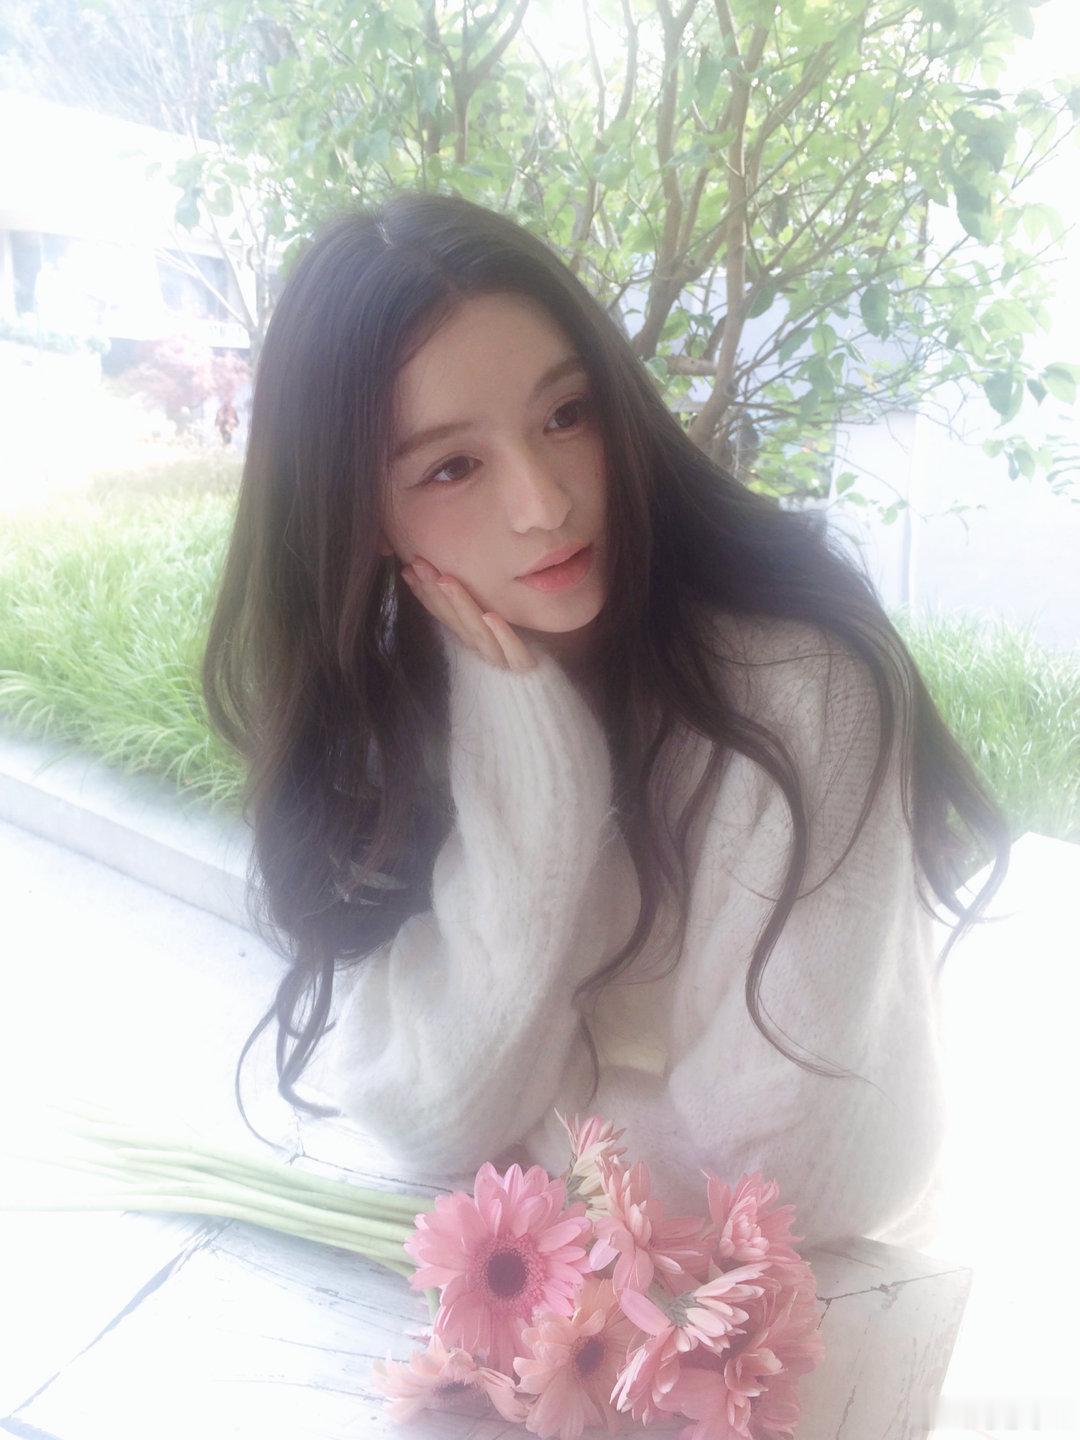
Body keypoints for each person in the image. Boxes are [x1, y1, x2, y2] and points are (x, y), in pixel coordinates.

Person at [200, 190, 1012, 1252]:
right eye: (452, 466)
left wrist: (526, 1122)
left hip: (821, 1308)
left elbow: (791, 1175)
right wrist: (536, 776)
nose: (543, 503)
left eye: (566, 415)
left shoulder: (798, 690)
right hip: (549, 1305)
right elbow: (418, 1114)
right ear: (362, 517)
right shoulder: (398, 706)